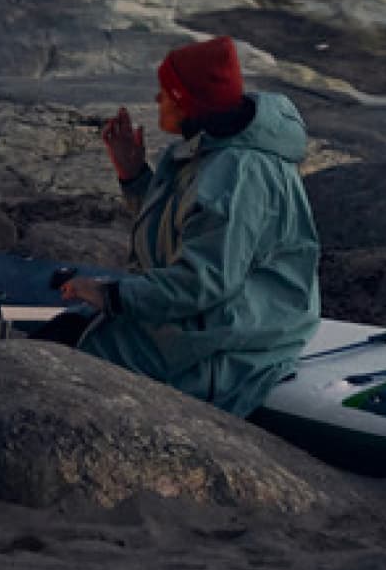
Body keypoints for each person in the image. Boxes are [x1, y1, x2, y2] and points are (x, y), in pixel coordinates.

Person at [58, 35, 320, 416]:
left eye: (165, 92)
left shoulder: (238, 174)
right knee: (68, 335)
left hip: (235, 337)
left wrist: (113, 295)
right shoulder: (212, 148)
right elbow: (188, 230)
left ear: (187, 102)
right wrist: (134, 177)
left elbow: (204, 282)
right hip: (213, 315)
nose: (156, 100)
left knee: (78, 365)